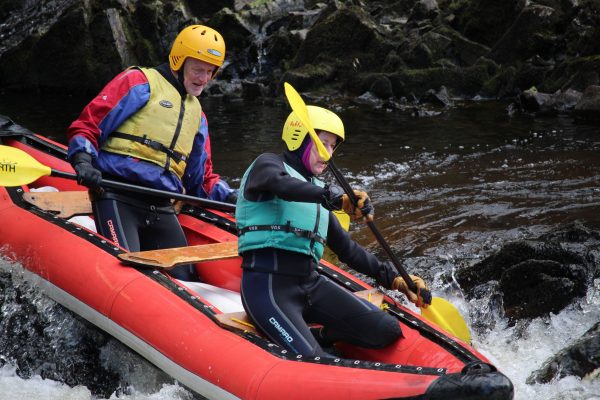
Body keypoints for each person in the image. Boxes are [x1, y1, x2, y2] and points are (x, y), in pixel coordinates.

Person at [235, 105, 431, 357]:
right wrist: (335, 198)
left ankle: (320, 335)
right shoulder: (267, 165)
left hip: (309, 283)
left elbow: (348, 250)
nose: (327, 154)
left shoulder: (318, 192)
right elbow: (281, 185)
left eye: (332, 146)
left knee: (386, 329)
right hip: (266, 285)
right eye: (321, 143)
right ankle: (310, 346)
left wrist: (395, 279)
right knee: (314, 359)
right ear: (299, 138)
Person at [67, 25, 237, 281]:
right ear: (179, 60)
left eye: (210, 71)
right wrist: (83, 160)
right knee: (127, 273)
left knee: (186, 279)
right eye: (197, 69)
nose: (203, 78)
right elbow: (88, 126)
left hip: (160, 205)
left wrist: (234, 198)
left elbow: (199, 180)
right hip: (117, 194)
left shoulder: (198, 116)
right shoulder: (139, 82)